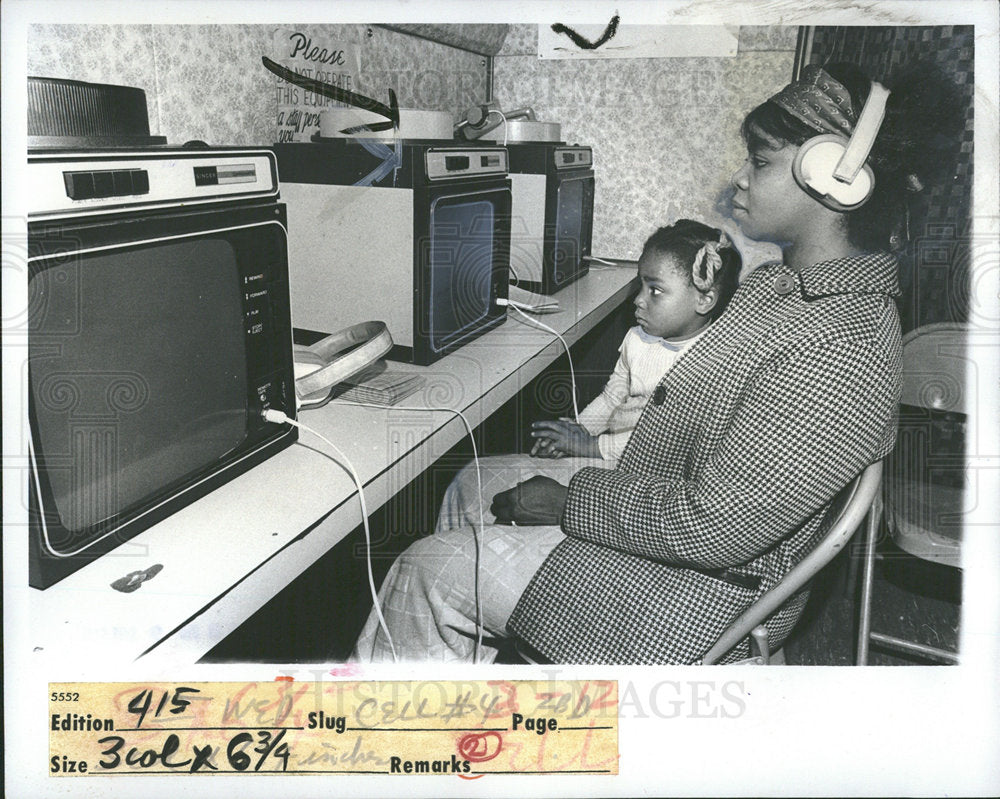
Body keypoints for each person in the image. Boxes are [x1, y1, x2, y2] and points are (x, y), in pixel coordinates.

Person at [352, 62, 961, 664]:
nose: (740, 181)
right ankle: (499, 689)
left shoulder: (840, 343)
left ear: (835, 181)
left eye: (761, 161)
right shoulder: (781, 287)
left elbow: (718, 527)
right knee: (473, 482)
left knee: (424, 570)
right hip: (669, 517)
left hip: (692, 595)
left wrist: (567, 503)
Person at [436, 219, 742, 533]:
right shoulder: (638, 339)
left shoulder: (710, 362)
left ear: (704, 300)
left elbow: (667, 444)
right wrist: (575, 433)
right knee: (471, 476)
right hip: (605, 450)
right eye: (640, 285)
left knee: (498, 494)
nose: (638, 299)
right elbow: (612, 397)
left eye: (656, 291)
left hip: (645, 477)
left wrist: (589, 447)